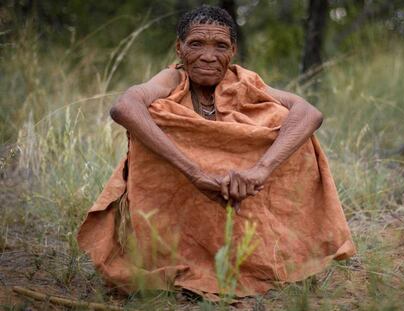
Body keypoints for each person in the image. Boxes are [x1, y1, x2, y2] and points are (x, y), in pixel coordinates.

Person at [77, 5, 356, 301]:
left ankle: (265, 258)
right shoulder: (171, 79)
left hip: (246, 192)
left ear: (233, 50)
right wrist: (196, 173)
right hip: (183, 199)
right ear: (179, 48)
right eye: (196, 44)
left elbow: (308, 112)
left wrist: (260, 169)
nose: (208, 56)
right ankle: (178, 263)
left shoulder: (244, 81)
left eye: (220, 46)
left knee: (287, 126)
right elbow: (125, 107)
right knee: (153, 118)